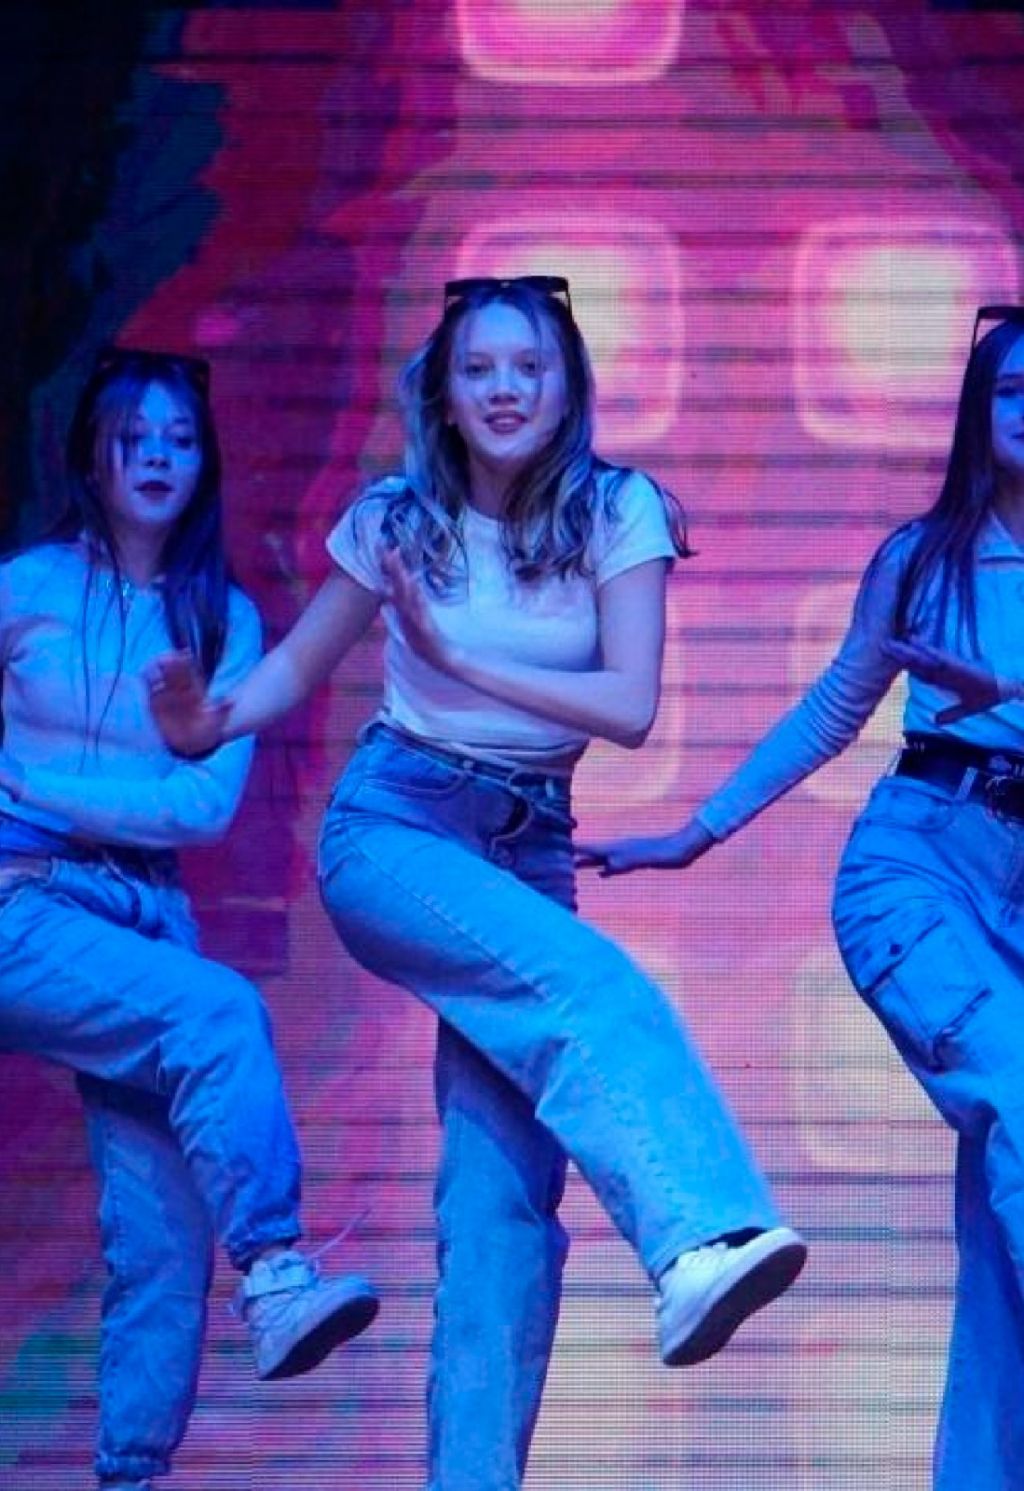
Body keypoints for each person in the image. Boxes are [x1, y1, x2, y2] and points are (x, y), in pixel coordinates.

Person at [148, 276, 806, 1491]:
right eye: (480, 369)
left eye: (529, 368)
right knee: (593, 991)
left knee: (498, 1202)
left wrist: (455, 652)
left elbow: (627, 706)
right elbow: (290, 671)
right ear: (444, 396)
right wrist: (203, 728)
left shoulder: (618, 512)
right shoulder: (395, 520)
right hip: (396, 827)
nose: (506, 390)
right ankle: (694, 1238)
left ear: (566, 387)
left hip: (529, 844)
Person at [580, 305, 1024, 1490]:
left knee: (1000, 1208)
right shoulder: (921, 559)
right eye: (1012, 390)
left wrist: (1005, 686)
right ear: (977, 413)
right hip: (921, 863)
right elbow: (833, 709)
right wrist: (695, 832)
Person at [0, 348, 379, 1491]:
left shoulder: (224, 621)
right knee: (217, 1015)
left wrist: (32, 784)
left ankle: (131, 1474)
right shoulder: (23, 588)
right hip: (20, 895)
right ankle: (277, 1272)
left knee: (163, 1236)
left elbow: (200, 809)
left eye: (179, 438)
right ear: (91, 455)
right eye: (135, 437)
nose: (158, 457)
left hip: (143, 913)